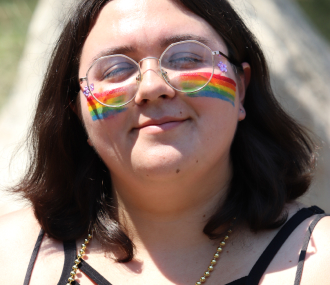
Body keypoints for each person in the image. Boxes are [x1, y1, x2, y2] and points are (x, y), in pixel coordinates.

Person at [0, 0, 329, 284]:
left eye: (186, 58)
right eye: (115, 69)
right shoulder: (9, 259)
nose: (152, 86)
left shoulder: (320, 263)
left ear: (240, 88)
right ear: (78, 114)